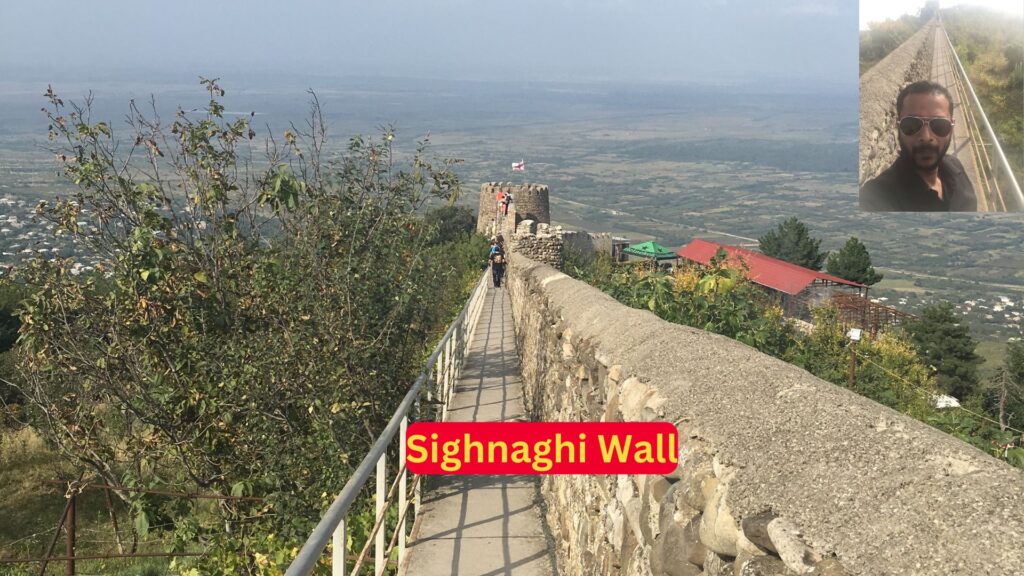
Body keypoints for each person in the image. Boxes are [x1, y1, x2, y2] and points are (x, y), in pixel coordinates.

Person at [860, 81, 977, 211]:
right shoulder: (875, 197)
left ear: (951, 126)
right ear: (898, 127)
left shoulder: (956, 167)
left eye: (939, 125)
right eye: (911, 124)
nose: (926, 137)